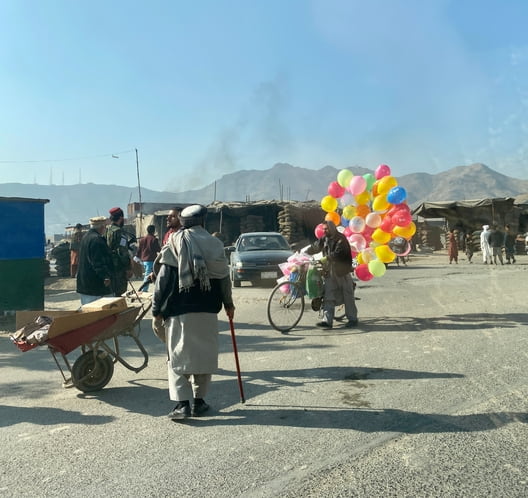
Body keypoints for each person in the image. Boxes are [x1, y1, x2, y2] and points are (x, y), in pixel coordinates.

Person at [152, 204, 235, 421]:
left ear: (184, 222)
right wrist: (229, 304)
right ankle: (199, 401)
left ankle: (182, 404)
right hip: (209, 308)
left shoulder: (175, 241)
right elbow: (224, 278)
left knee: (177, 356)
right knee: (203, 355)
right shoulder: (216, 244)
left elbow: (164, 279)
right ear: (203, 221)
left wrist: (156, 309)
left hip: (180, 309)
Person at [303, 220, 358, 329]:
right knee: (328, 295)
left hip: (342, 271)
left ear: (332, 228)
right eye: (323, 229)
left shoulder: (340, 239)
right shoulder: (324, 238)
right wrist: (304, 252)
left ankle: (352, 319)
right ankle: (327, 321)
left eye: (326, 228)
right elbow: (315, 247)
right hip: (329, 271)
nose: (324, 230)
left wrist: (326, 258)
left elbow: (338, 253)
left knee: (348, 296)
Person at [76, 216, 113, 305]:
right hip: (94, 284)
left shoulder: (86, 237)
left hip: (85, 283)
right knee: (97, 314)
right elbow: (97, 262)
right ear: (102, 227)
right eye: (105, 226)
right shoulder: (97, 240)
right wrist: (105, 276)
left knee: (87, 313)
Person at [106, 207, 132, 296]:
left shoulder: (107, 230)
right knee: (120, 292)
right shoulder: (119, 232)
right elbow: (122, 252)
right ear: (121, 218)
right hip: (118, 268)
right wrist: (128, 268)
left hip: (109, 266)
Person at [135, 225, 161, 291]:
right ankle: (143, 290)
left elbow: (139, 250)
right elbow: (158, 249)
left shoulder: (142, 239)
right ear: (154, 231)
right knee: (148, 275)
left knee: (149, 274)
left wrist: (137, 257)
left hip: (144, 260)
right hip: (151, 260)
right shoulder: (154, 239)